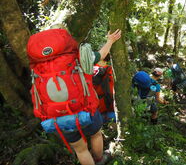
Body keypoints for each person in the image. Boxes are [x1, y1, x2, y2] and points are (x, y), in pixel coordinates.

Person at [27, 24, 121, 165]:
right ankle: (99, 160)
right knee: (96, 135)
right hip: (86, 109)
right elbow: (101, 55)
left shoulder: (39, 65)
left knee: (80, 150)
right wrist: (110, 41)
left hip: (59, 117)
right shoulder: (79, 55)